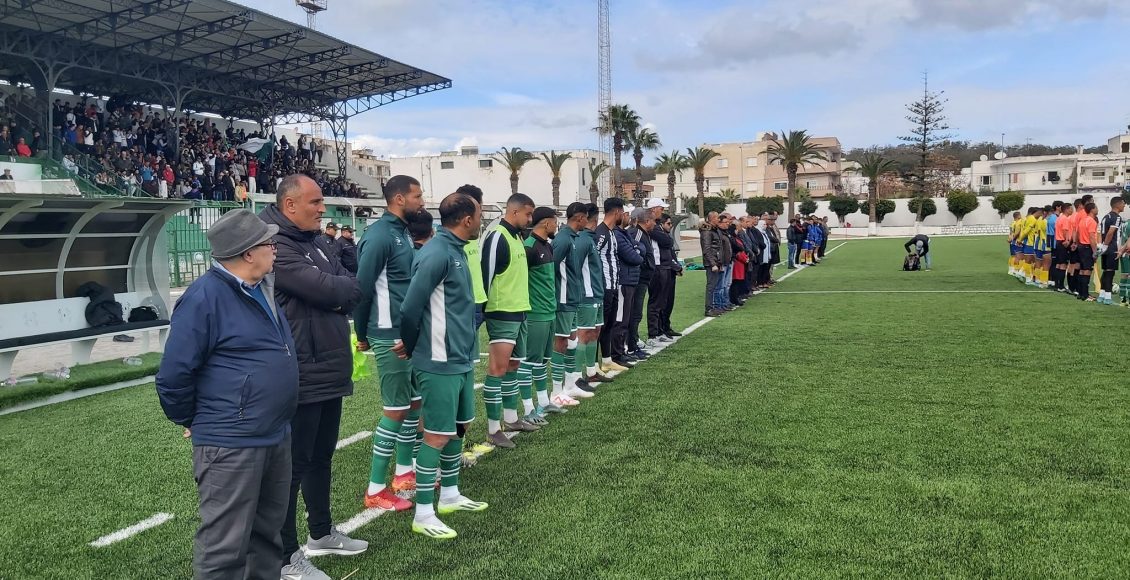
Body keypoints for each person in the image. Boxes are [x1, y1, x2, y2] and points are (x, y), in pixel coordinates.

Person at [156, 209, 298, 580]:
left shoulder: (262, 287)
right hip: (231, 442)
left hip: (274, 433)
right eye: (269, 243)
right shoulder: (204, 297)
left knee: (266, 538)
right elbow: (173, 375)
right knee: (225, 547)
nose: (275, 249)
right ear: (249, 253)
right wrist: (193, 419)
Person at [259, 175, 366, 580]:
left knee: (321, 457)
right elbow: (330, 291)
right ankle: (284, 557)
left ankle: (321, 533)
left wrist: (338, 292)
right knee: (292, 467)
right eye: (316, 202)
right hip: (300, 370)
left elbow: (350, 284)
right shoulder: (275, 244)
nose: (323, 209)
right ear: (290, 205)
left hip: (329, 366)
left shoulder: (317, 240)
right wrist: (337, 292)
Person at [400, 192, 489, 540]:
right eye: (479, 215)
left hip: (460, 357)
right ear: (467, 220)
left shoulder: (455, 250)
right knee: (437, 434)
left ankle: (450, 494)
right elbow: (410, 307)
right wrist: (412, 346)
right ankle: (423, 513)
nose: (481, 221)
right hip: (438, 359)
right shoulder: (436, 253)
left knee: (458, 427)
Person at [353, 175, 425, 512]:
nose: (421, 202)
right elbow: (362, 287)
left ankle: (404, 473)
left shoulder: (402, 232)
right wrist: (362, 334)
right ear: (398, 199)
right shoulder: (380, 235)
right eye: (417, 196)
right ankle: (375, 489)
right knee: (395, 410)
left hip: (406, 332)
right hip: (388, 333)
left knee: (414, 404)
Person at [480, 193, 539, 448]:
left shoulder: (517, 237)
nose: (530, 219)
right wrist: (482, 311)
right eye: (528, 214)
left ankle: (512, 418)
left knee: (513, 366)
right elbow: (486, 274)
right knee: (497, 369)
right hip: (501, 312)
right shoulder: (497, 236)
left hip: (520, 311)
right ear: (514, 212)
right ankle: (493, 429)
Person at [519, 207, 568, 424]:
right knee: (528, 362)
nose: (556, 226)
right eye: (555, 222)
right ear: (546, 223)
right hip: (535, 313)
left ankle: (543, 401)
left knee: (542, 360)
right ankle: (528, 409)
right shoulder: (528, 247)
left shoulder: (547, 246)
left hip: (549, 311)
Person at [552, 202, 595, 408]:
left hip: (572, 298)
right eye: (586, 217)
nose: (588, 221)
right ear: (579, 218)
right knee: (561, 342)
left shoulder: (573, 238)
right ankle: (555, 391)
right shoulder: (562, 239)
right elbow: (550, 268)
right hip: (563, 299)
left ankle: (569, 385)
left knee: (572, 342)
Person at [572, 204, 607, 386]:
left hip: (597, 294)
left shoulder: (590, 239)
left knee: (595, 332)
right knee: (584, 333)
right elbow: (574, 268)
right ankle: (577, 376)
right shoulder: (582, 240)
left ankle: (591, 371)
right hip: (586, 295)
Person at [612, 206, 644, 364]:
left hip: (630, 280)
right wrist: (637, 251)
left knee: (626, 318)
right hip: (623, 281)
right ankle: (617, 353)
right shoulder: (617, 235)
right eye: (627, 214)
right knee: (620, 320)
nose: (629, 218)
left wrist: (637, 250)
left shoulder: (624, 233)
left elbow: (641, 248)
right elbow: (634, 256)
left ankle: (621, 351)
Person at [628, 207, 658, 351]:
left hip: (643, 278)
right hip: (638, 279)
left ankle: (633, 340)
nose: (655, 224)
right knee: (634, 312)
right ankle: (631, 342)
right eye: (653, 221)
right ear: (646, 221)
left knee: (636, 312)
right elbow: (633, 254)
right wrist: (644, 267)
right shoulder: (637, 233)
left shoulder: (644, 234)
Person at [648, 213, 678, 341]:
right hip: (659, 270)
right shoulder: (654, 231)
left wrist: (676, 266)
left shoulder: (660, 232)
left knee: (665, 302)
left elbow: (669, 247)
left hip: (666, 269)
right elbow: (668, 243)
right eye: (668, 224)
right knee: (657, 303)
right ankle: (655, 333)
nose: (671, 226)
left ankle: (663, 329)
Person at [1097, 197, 1125, 305]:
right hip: (1111, 247)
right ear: (1117, 205)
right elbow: (1110, 233)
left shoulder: (1106, 216)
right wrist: (1106, 245)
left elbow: (1101, 232)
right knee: (1110, 272)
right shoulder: (1116, 217)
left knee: (1106, 271)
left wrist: (1102, 245)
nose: (1124, 205)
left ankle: (1102, 295)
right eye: (1123, 203)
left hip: (1105, 247)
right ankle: (1108, 298)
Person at [699, 212, 725, 317]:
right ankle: (709, 309)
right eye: (717, 217)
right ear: (712, 218)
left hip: (716, 261)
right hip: (712, 263)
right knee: (711, 286)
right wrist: (713, 263)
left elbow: (718, 247)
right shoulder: (707, 231)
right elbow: (706, 249)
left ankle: (712, 307)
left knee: (714, 286)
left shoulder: (714, 230)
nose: (719, 219)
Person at [1075, 202, 1099, 302]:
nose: (1097, 209)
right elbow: (1092, 237)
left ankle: (1081, 293)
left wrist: (1077, 243)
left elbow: (1077, 233)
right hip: (1087, 247)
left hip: (1081, 246)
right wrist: (1095, 252)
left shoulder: (1082, 220)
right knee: (1087, 271)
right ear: (1092, 209)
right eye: (1096, 207)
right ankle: (1085, 295)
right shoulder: (1092, 221)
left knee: (1082, 270)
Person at [1051, 204, 1073, 291]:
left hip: (1058, 242)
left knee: (1058, 264)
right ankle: (1061, 286)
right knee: (1063, 265)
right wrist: (1067, 240)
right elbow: (1065, 231)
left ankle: (1057, 284)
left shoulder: (1059, 218)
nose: (1072, 210)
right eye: (1071, 209)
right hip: (1063, 242)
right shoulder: (1065, 219)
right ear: (1066, 209)